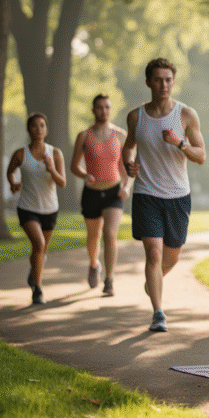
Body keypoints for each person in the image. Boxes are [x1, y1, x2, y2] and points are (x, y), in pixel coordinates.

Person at [121, 58, 206, 332]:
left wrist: (180, 143)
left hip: (178, 195)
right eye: (158, 80)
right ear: (148, 82)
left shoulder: (185, 115)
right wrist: (128, 163)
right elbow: (128, 147)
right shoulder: (136, 116)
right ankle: (158, 312)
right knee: (154, 255)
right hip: (146, 193)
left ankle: (152, 282)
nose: (163, 85)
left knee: (172, 256)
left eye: (168, 79)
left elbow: (201, 155)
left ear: (173, 81)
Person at [70, 93, 130, 296]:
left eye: (107, 107)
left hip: (114, 192)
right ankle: (94, 264)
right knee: (94, 236)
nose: (103, 111)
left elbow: (125, 168)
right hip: (91, 193)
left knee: (110, 234)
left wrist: (127, 186)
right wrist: (84, 174)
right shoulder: (84, 136)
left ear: (110, 110)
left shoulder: (120, 135)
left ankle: (109, 279)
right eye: (99, 107)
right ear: (93, 110)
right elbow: (74, 166)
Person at [6, 112, 67, 305]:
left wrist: (52, 169)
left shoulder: (55, 153)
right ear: (28, 129)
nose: (38, 129)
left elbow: (62, 183)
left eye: (42, 125)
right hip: (27, 207)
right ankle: (38, 290)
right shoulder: (20, 154)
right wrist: (13, 183)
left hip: (50, 209)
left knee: (42, 250)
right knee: (39, 245)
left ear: (46, 129)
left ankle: (34, 273)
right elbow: (10, 171)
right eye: (34, 125)